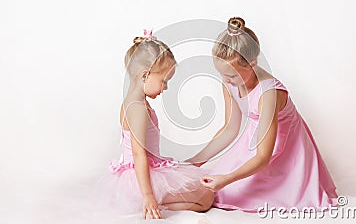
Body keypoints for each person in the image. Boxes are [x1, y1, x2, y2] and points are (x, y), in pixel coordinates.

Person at [187, 18, 338, 212]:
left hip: (280, 153)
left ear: (253, 63)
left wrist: (226, 179)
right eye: (222, 74)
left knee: (227, 189)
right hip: (253, 144)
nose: (226, 80)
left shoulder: (269, 94)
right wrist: (195, 162)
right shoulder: (229, 83)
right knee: (208, 187)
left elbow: (263, 156)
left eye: (232, 75)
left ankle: (279, 187)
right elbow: (229, 129)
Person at [95, 30, 214, 220]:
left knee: (204, 190)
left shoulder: (132, 102)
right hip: (141, 178)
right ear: (145, 75)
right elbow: (138, 153)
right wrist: (148, 194)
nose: (165, 88)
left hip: (144, 171)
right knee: (207, 197)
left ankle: (158, 200)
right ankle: (153, 201)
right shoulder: (137, 108)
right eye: (164, 81)